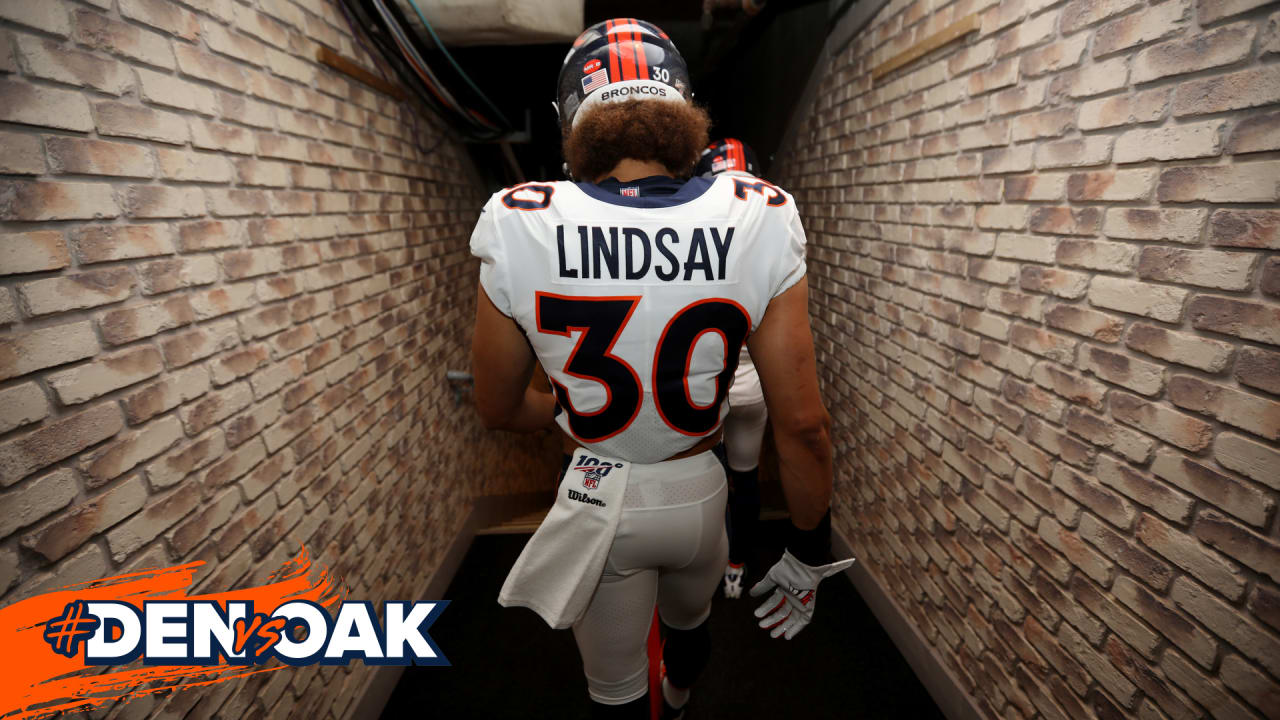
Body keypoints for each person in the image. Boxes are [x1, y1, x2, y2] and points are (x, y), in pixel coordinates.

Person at [468, 19, 852, 719]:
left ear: (570, 117)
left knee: (612, 690)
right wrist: (807, 547)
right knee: (691, 631)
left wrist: (566, 411)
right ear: (682, 104)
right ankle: (677, 700)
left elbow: (495, 406)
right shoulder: (758, 213)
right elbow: (803, 427)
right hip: (701, 488)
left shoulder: (518, 218)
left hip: (596, 490)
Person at [693, 138, 767, 600]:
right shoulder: (771, 235)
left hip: (708, 385)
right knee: (748, 478)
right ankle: (736, 569)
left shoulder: (690, 235)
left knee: (709, 480)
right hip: (751, 385)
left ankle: (707, 566)